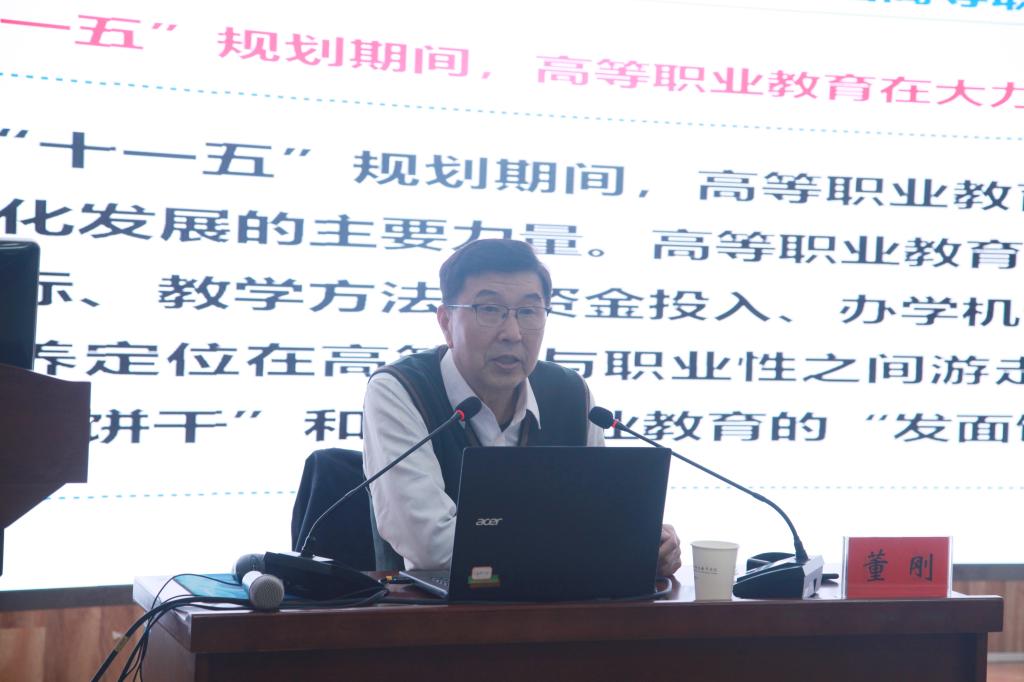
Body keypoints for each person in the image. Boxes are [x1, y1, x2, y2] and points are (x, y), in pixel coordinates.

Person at [362, 238, 681, 575]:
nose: (512, 333)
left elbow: (601, 517)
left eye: (528, 312)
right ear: (446, 322)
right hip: (435, 605)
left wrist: (645, 543)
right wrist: (599, 547)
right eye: (489, 310)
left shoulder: (571, 393)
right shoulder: (401, 389)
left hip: (561, 604)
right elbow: (431, 546)